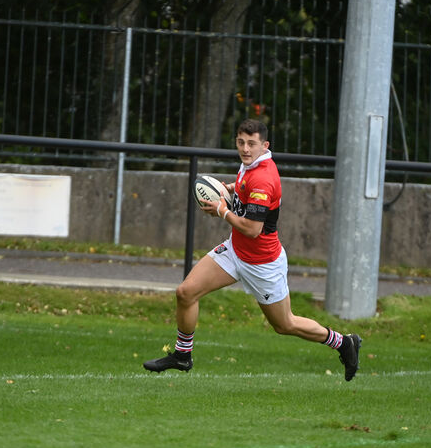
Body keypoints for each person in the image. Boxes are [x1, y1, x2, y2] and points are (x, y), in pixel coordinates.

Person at [143, 119, 362, 381]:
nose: (245, 148)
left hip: (263, 263)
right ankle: (182, 355)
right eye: (241, 142)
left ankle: (344, 343)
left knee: (285, 324)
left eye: (251, 143)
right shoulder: (252, 165)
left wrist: (222, 210)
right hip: (236, 252)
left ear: (264, 145)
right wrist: (228, 190)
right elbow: (245, 188)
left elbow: (252, 229)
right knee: (186, 293)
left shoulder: (263, 178)